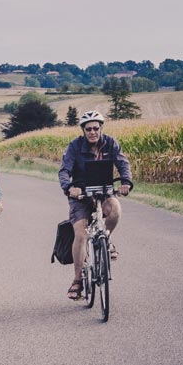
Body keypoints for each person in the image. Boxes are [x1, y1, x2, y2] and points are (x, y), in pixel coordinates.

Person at [58, 110, 132, 300]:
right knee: (81, 234)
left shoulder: (111, 143)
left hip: (103, 190)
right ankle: (77, 281)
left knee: (115, 210)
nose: (92, 132)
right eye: (88, 129)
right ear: (83, 130)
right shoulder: (74, 146)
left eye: (96, 128)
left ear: (101, 128)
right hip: (80, 196)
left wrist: (126, 182)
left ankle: (106, 239)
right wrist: (69, 187)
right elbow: (64, 170)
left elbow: (123, 163)